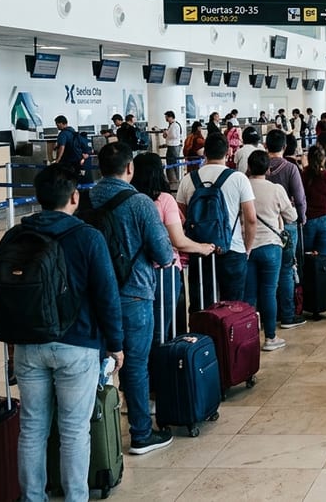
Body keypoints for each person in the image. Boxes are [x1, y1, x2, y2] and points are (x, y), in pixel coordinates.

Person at [8, 164, 124, 500]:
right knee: (74, 431)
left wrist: (12, 344)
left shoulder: (17, 235)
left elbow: (8, 293)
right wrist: (115, 345)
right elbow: (106, 295)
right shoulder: (88, 237)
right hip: (78, 344)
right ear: (74, 197)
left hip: (30, 344)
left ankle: (33, 497)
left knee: (32, 428)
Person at [86, 143, 176, 455]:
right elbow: (163, 253)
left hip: (93, 295)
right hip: (134, 293)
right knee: (136, 365)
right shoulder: (140, 203)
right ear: (130, 169)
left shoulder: (87, 197)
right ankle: (140, 433)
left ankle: (94, 435)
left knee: (96, 364)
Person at [130, 152, 216, 343]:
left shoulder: (130, 200)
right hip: (164, 272)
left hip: (134, 274)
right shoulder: (164, 199)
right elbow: (177, 240)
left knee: (142, 332)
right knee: (164, 329)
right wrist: (201, 247)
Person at [175, 133, 257, 302]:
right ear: (228, 152)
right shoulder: (239, 178)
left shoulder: (188, 180)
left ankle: (203, 329)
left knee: (201, 305)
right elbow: (251, 219)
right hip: (233, 249)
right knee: (233, 306)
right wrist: (247, 248)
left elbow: (181, 218)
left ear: (205, 153)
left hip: (199, 250)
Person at [245, 150, 298, 352]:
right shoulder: (275, 189)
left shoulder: (242, 186)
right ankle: (270, 338)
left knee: (249, 294)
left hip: (246, 246)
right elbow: (291, 216)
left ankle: (247, 339)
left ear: (249, 167)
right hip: (271, 246)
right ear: (268, 169)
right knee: (268, 292)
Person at [264, 130, 309, 331]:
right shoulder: (290, 168)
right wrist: (302, 217)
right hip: (287, 225)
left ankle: (267, 317)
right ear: (284, 147)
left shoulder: (257, 167)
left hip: (263, 227)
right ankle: (288, 314)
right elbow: (299, 198)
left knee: (266, 274)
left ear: (266, 146)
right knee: (286, 268)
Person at [161, 111, 184, 184]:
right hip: (170, 146)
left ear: (170, 117)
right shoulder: (170, 125)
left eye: (166, 117)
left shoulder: (175, 125)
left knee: (174, 163)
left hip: (174, 146)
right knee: (170, 162)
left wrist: (167, 133)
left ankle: (176, 179)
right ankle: (171, 178)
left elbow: (175, 136)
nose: (166, 119)